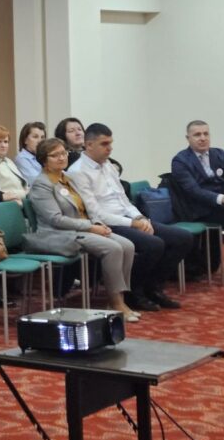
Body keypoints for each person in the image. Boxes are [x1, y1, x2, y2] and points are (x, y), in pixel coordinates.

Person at [68, 123, 193, 312]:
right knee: (154, 245)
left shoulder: (108, 165)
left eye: (111, 143)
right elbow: (96, 213)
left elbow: (123, 200)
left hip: (127, 218)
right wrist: (132, 223)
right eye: (104, 144)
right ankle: (134, 292)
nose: (110, 148)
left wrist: (140, 217)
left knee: (182, 238)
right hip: (108, 224)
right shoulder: (78, 172)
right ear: (89, 145)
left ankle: (153, 287)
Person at [26, 138, 140, 322]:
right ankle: (115, 302)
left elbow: (87, 206)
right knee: (113, 248)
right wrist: (90, 227)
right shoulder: (42, 185)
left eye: (63, 153)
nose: (61, 158)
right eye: (55, 155)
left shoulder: (67, 179)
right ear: (44, 160)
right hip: (59, 234)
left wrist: (98, 223)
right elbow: (55, 219)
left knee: (128, 245)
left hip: (83, 227)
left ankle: (121, 298)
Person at [170, 119, 224, 273]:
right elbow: (193, 190)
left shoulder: (219, 154)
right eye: (197, 135)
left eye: (206, 134)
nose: (202, 138)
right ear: (188, 138)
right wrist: (220, 198)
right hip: (198, 207)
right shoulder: (180, 161)